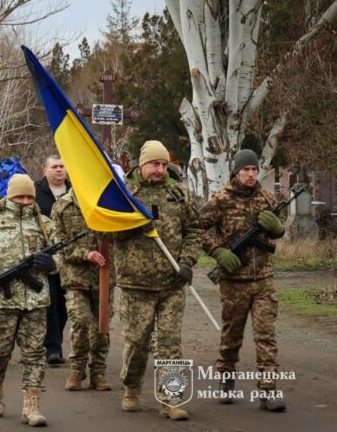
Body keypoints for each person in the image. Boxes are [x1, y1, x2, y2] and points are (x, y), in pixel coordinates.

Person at [111, 140, 202, 420]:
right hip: (136, 284)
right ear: (142, 164)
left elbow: (194, 230)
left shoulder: (179, 194)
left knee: (171, 343)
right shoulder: (126, 194)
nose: (160, 170)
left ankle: (171, 398)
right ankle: (132, 388)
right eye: (155, 164)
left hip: (172, 283)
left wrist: (187, 261)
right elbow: (111, 232)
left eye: (164, 164)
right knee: (137, 342)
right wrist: (133, 226)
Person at [0, 174, 61, 427]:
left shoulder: (44, 223)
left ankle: (32, 405)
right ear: (10, 196)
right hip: (1, 301)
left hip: (36, 301)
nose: (25, 201)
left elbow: (63, 255)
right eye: (20, 196)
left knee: (35, 353)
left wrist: (52, 263)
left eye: (29, 197)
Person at [201, 149, 287, 412]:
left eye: (254, 170)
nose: (251, 174)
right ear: (236, 172)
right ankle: (226, 380)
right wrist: (217, 251)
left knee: (266, 336)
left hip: (263, 279)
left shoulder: (266, 197)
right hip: (234, 281)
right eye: (245, 170)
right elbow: (196, 228)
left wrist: (277, 228)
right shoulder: (221, 200)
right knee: (231, 335)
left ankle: (269, 390)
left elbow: (279, 228)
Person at [51, 189, 113, 392]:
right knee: (79, 321)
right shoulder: (62, 205)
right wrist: (84, 253)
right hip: (75, 277)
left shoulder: (107, 202)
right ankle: (77, 369)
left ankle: (98, 372)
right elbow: (57, 243)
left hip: (104, 276)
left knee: (101, 327)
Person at [34, 155, 71, 365]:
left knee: (66, 304)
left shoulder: (75, 190)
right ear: (45, 169)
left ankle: (54, 340)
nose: (59, 170)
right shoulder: (36, 191)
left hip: (70, 255)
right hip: (45, 255)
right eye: (55, 166)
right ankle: (53, 348)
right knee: (52, 302)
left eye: (62, 166)